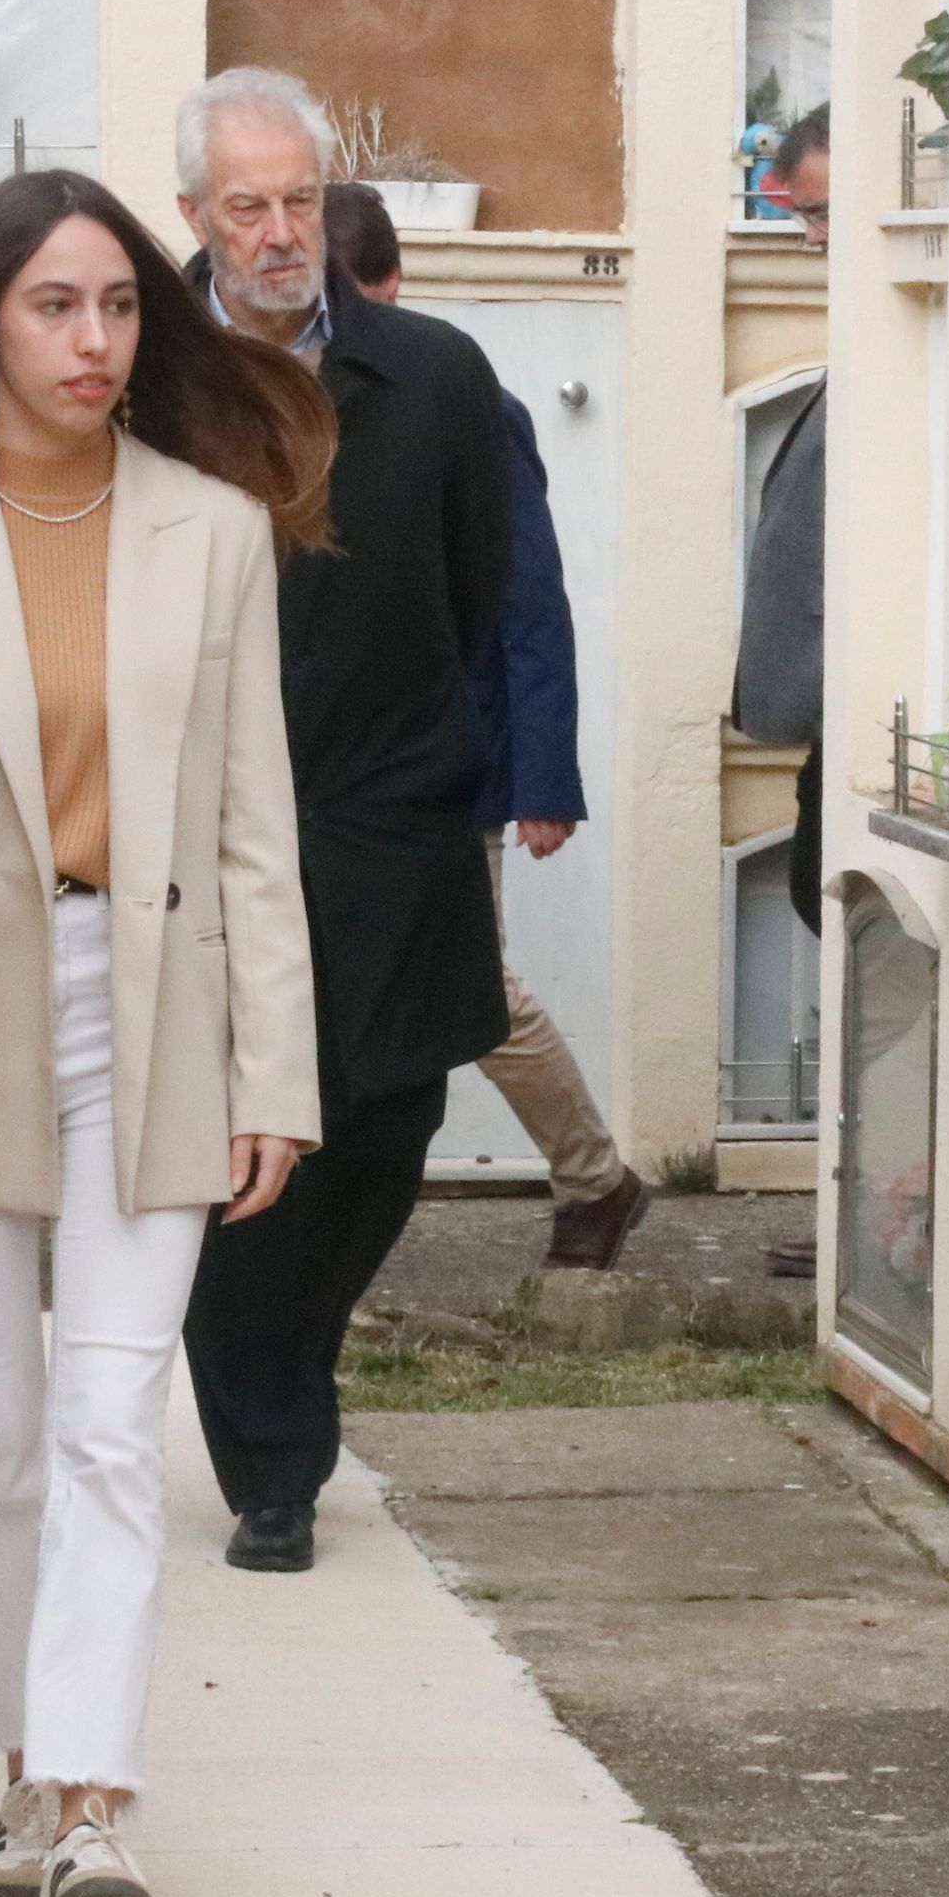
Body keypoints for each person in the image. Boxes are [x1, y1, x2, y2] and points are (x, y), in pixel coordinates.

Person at [0, 170, 327, 1897]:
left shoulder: (213, 525)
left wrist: (279, 1072)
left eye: (116, 303)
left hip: (152, 997)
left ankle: (94, 1810)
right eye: (51, 304)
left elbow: (256, 814)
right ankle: (25, 1754)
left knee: (115, 1420)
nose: (92, 339)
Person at [170, 71, 513, 1573]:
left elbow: (486, 587)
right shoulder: (140, 379)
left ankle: (292, 1367)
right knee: (233, 1150)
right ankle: (273, 1456)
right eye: (245, 205)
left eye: (299, 199)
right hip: (195, 838)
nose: (278, 232)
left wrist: (464, 767)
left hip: (387, 824)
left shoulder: (433, 374)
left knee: (387, 1123)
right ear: (192, 215)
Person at [320, 183, 647, 1271]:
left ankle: (596, 1177)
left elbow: (526, 596)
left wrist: (544, 774)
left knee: (474, 987)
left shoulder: (464, 401)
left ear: (389, 287)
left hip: (447, 762)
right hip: (337, 764)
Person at [731, 107, 832, 1281]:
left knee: (829, 900)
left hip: (853, 714)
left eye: (812, 212)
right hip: (825, 718)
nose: (805, 238)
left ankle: (884, 1193)